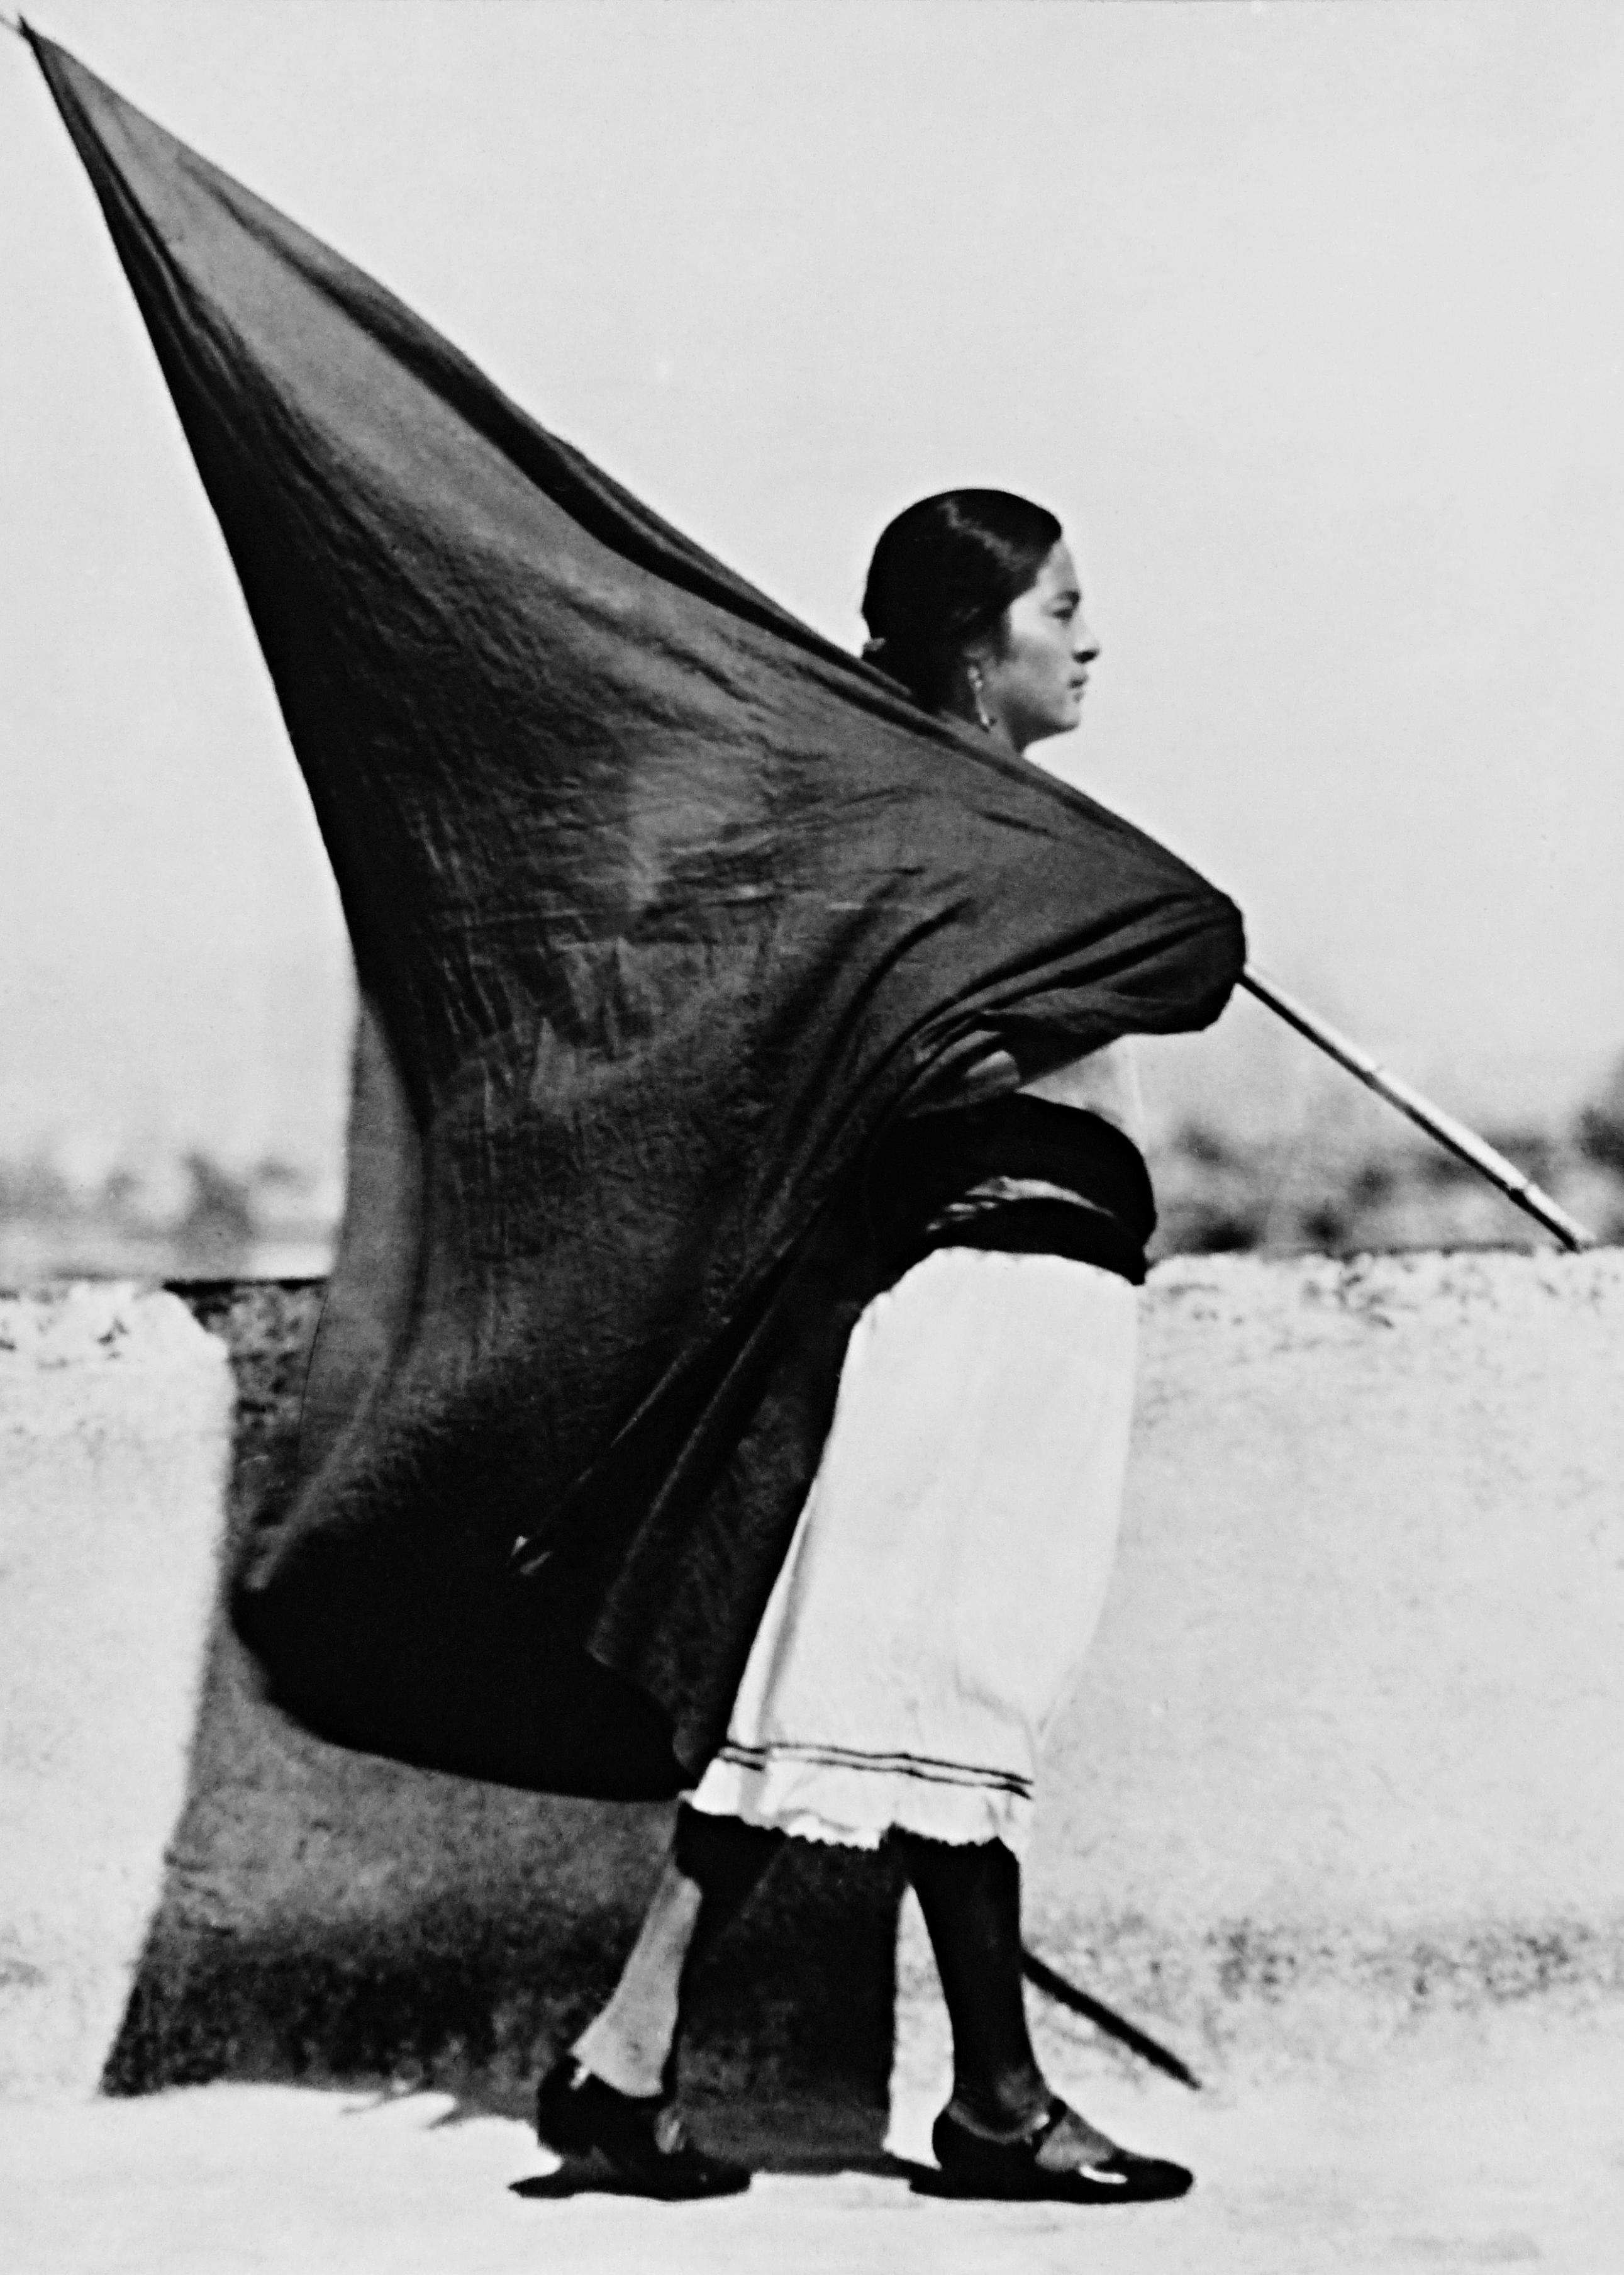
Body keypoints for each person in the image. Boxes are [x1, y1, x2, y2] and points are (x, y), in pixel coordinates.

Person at [533, 489, 1194, 2203]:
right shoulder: (938, 841)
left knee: (857, 1690)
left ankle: (639, 2060)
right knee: (930, 1688)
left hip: (1024, 1297)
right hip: (983, 1299)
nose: (1093, 641)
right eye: (1064, 609)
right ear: (980, 647)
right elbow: (1170, 960)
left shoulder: (977, 835)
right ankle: (986, 2105)